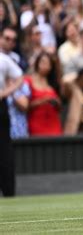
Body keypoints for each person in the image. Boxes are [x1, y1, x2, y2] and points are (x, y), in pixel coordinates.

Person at [0, 52, 23, 197]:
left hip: (0, 106)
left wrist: (5, 93)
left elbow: (19, 77)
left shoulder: (3, 58)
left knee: (4, 150)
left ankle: (9, 192)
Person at [24, 52, 62, 137]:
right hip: (36, 122)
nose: (45, 65)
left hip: (53, 123)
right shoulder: (28, 81)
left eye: (48, 64)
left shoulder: (52, 83)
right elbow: (25, 106)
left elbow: (59, 108)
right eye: (43, 62)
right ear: (37, 63)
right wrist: (43, 100)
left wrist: (57, 102)